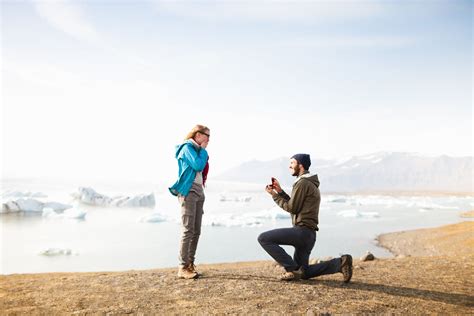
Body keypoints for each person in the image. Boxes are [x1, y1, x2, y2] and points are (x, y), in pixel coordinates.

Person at [258, 153, 353, 282]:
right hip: (309, 235)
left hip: (302, 232)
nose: (289, 166)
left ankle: (291, 269)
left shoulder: (302, 183)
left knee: (264, 238)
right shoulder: (309, 183)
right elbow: (295, 205)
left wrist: (274, 196)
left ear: (300, 165)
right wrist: (280, 192)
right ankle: (340, 263)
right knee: (303, 273)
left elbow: (292, 208)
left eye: (292, 163)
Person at [169, 124, 210, 279]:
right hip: (189, 190)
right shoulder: (187, 148)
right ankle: (182, 266)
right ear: (197, 135)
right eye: (207, 136)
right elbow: (198, 165)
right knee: (188, 230)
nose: (208, 139)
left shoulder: (198, 150)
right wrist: (204, 150)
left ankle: (190, 264)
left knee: (196, 230)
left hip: (199, 190)